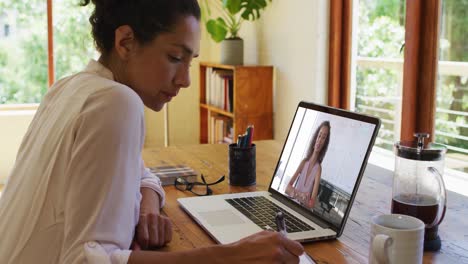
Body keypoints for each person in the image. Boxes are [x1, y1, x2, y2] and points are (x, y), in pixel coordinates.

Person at [0, 1, 304, 263]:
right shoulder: (117, 102)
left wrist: (147, 206)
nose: (185, 80)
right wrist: (233, 256)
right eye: (174, 58)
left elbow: (141, 171)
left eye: (190, 61)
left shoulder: (69, 87)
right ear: (126, 42)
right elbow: (85, 260)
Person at [285, 121, 331, 209]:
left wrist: (294, 193)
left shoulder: (318, 169)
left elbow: (311, 204)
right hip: (291, 206)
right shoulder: (304, 162)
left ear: (325, 143)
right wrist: (302, 196)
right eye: (319, 135)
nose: (320, 140)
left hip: (302, 212)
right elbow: (287, 188)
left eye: (324, 137)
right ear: (315, 138)